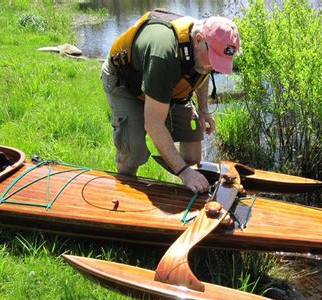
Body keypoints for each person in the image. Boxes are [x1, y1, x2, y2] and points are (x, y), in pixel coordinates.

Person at [100, 10, 240, 194]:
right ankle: (125, 194)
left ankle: (186, 196)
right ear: (198, 40)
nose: (214, 67)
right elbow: (153, 123)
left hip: (163, 81)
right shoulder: (165, 54)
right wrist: (184, 172)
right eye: (213, 59)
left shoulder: (202, 48)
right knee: (132, 152)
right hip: (126, 83)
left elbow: (202, 73)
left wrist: (204, 109)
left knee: (192, 140)